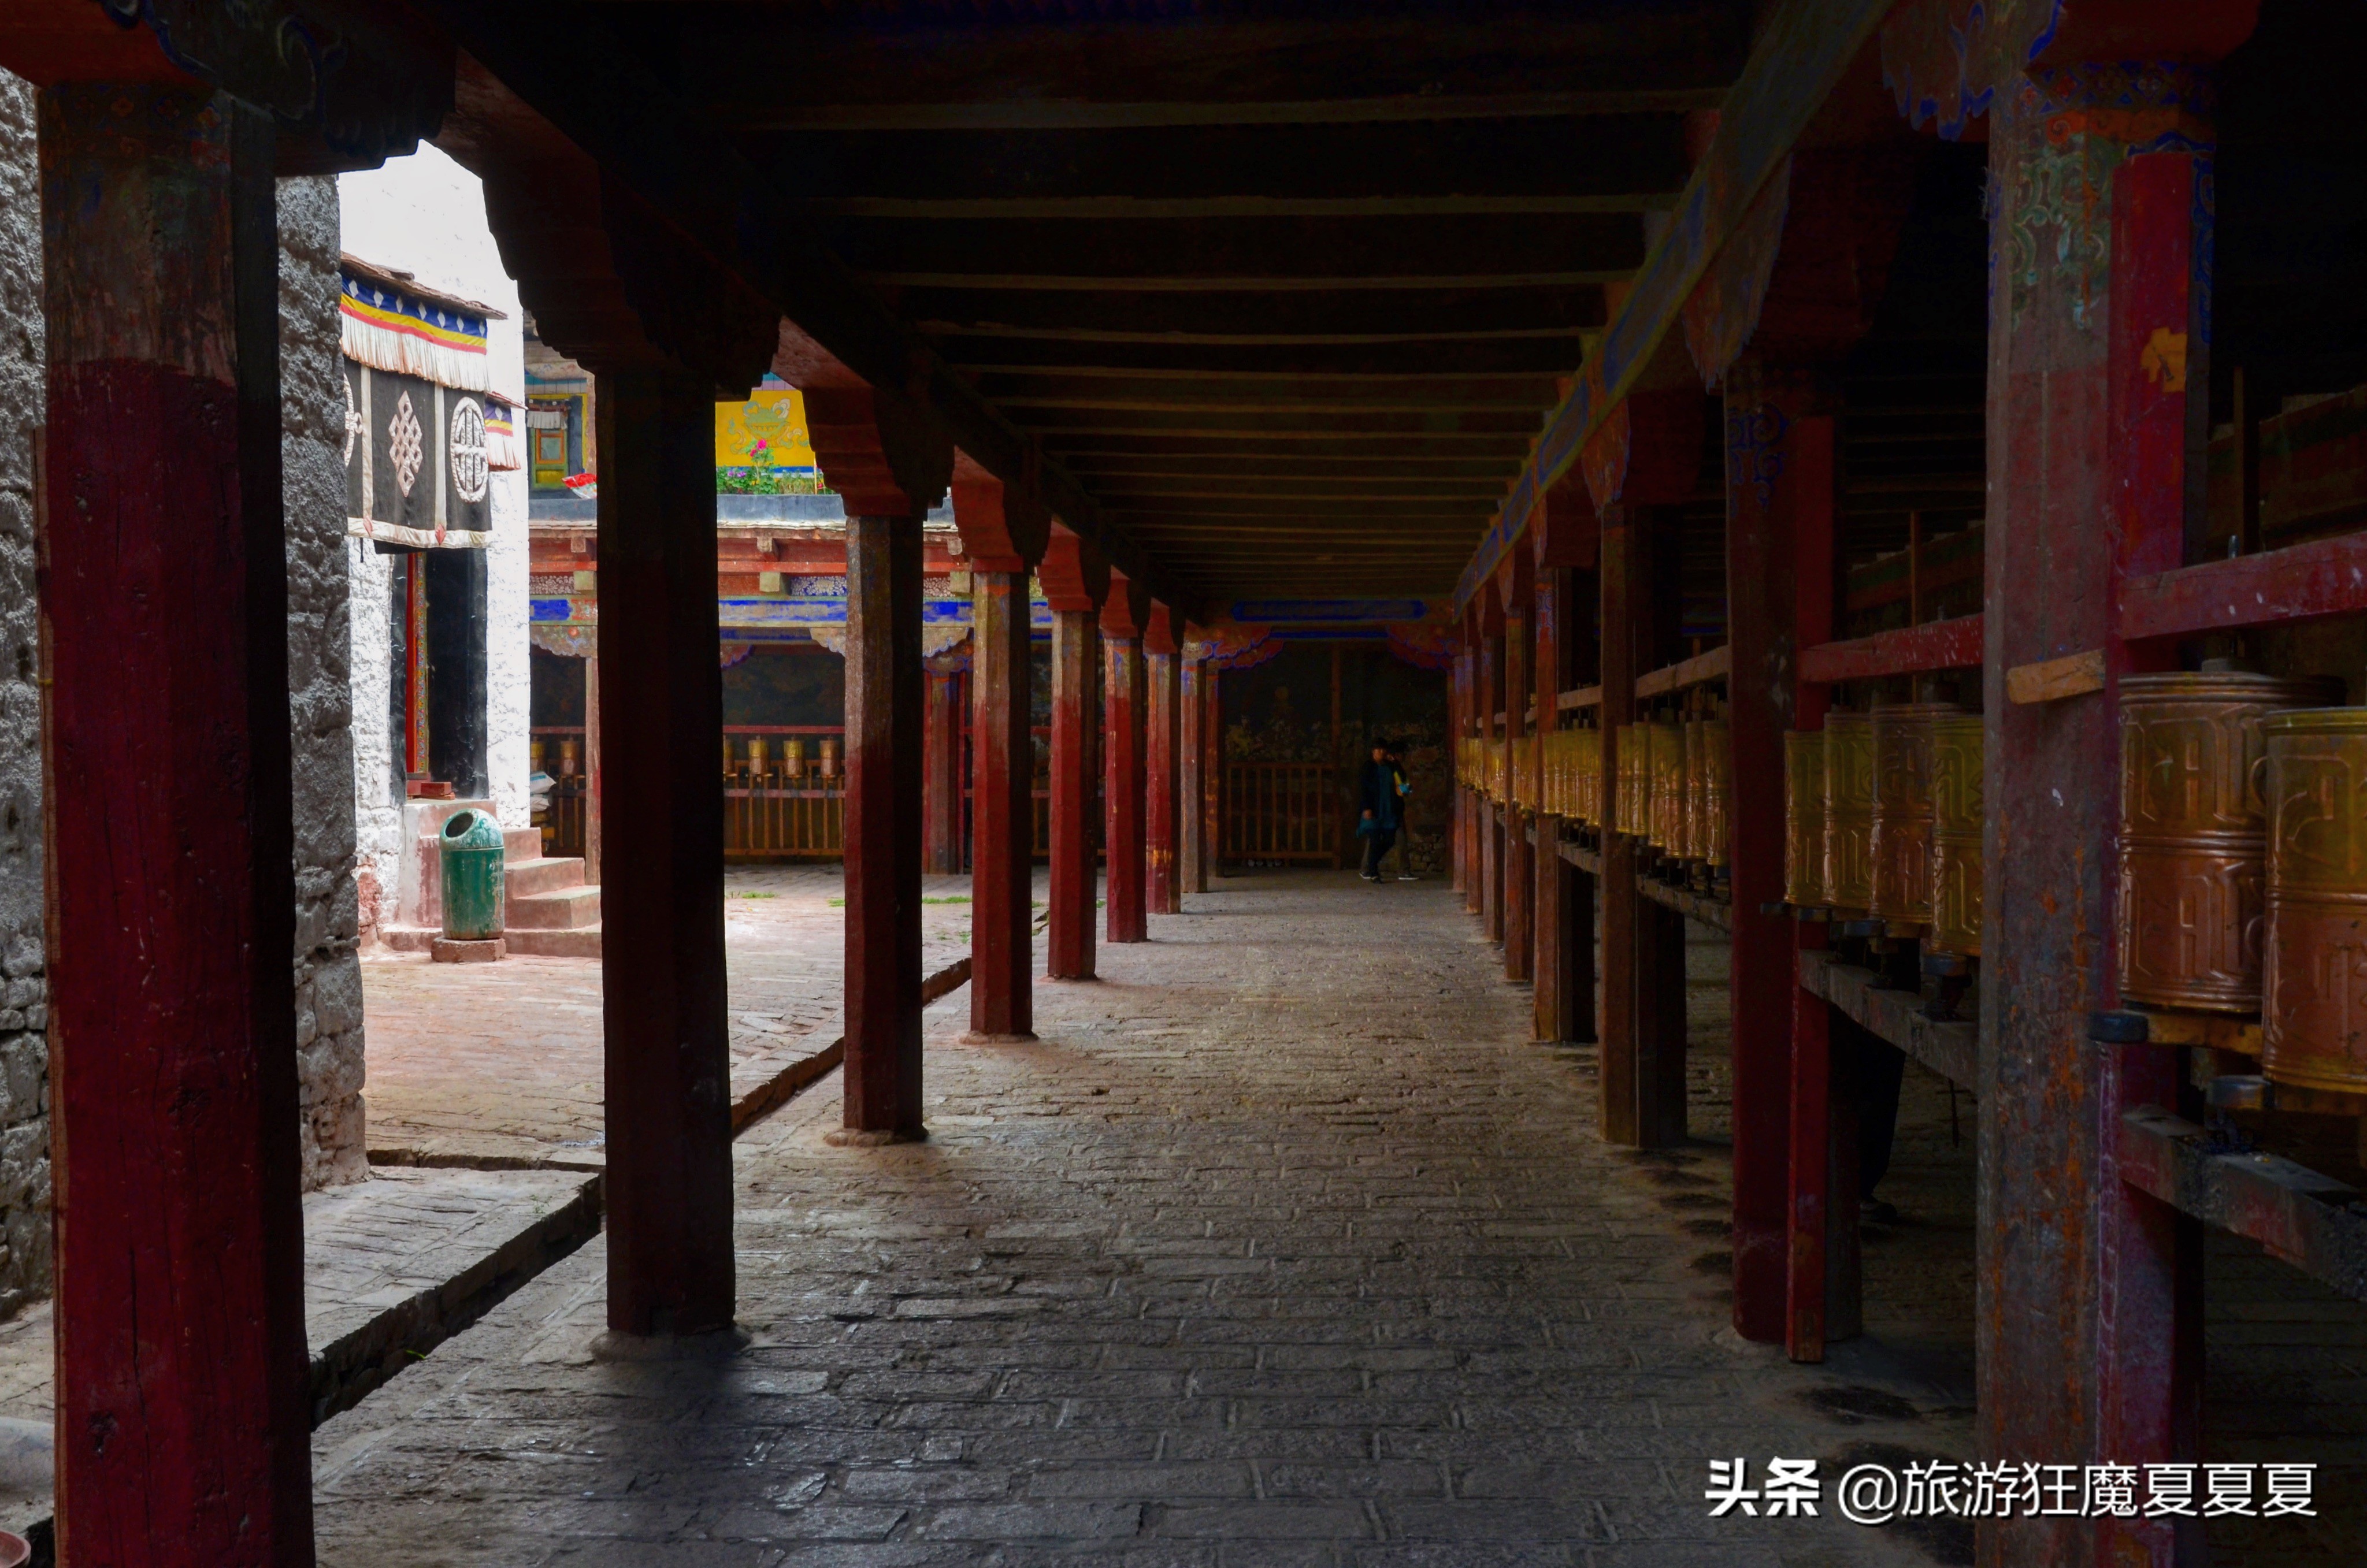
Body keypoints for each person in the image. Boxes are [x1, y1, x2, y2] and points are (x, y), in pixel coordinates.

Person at [1357, 739, 1404, 880]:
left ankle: (1372, 864)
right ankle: (1373, 872)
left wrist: (1395, 763)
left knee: (1390, 840)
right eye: (1378, 750)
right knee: (1375, 839)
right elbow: (1364, 788)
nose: (1381, 752)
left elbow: (1401, 779)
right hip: (1374, 808)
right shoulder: (1368, 767)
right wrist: (1366, 807)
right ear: (1373, 751)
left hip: (1388, 809)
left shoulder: (1390, 766)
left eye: (1383, 749)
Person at [1386, 740, 1418, 880]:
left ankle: (1367, 868)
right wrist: (1407, 789)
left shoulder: (1386, 767)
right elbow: (1402, 788)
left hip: (1389, 807)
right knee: (1401, 839)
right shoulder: (1395, 768)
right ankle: (1404, 871)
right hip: (1393, 807)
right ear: (1397, 755)